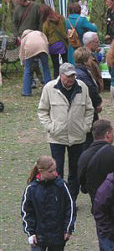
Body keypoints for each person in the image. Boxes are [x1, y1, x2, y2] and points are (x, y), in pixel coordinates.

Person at [21, 156, 75, 251]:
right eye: (51, 171)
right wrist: (30, 233)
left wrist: (68, 229)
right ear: (41, 172)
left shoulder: (61, 186)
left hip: (58, 235)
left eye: (56, 170)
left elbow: (70, 207)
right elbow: (26, 212)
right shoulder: (31, 188)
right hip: (38, 236)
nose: (55, 173)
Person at [38, 63, 94, 201]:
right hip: (57, 137)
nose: (71, 79)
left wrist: (85, 127)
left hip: (77, 136)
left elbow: (89, 109)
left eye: (73, 76)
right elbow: (42, 111)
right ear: (61, 75)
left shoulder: (82, 87)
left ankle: (71, 199)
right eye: (68, 76)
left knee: (75, 170)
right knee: (56, 170)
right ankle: (58, 198)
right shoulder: (49, 88)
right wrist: (51, 127)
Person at [78, 119, 114, 205]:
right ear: (107, 134)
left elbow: (81, 180)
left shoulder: (84, 156)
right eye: (112, 132)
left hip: (96, 201)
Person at [13, 0, 43, 90]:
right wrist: (17, 35)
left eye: (17, 0)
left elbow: (40, 21)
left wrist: (39, 33)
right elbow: (15, 23)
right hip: (22, 37)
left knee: (33, 59)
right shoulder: (17, 9)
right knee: (26, 60)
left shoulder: (36, 6)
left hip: (34, 37)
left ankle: (37, 79)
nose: (15, 2)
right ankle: (34, 80)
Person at [74, 47, 102, 148]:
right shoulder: (83, 74)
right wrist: (98, 103)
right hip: (88, 108)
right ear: (86, 60)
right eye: (90, 58)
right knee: (89, 136)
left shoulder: (78, 72)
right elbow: (91, 90)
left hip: (80, 108)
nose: (92, 60)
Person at [19, 30, 51, 96]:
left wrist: (22, 61)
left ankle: (26, 92)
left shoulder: (25, 38)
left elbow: (21, 51)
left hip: (30, 48)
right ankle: (49, 90)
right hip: (42, 48)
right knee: (46, 68)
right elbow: (47, 42)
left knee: (27, 69)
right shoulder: (40, 33)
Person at [40, 4, 68, 78]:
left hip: (53, 45)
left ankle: (57, 80)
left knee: (56, 66)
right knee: (66, 63)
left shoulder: (46, 23)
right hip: (63, 43)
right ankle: (68, 77)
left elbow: (44, 35)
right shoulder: (61, 18)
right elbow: (65, 29)